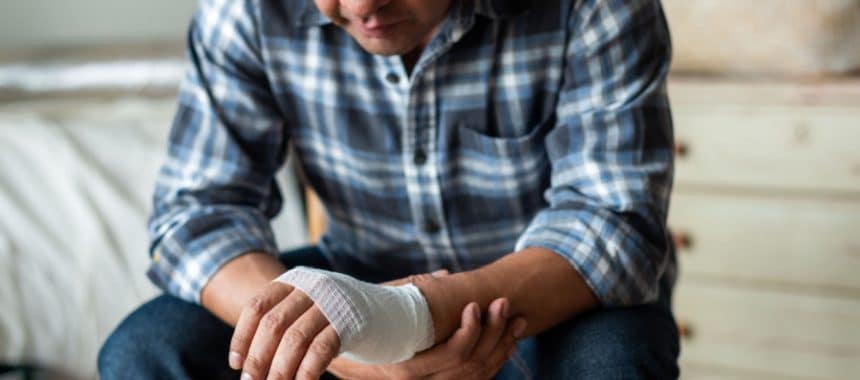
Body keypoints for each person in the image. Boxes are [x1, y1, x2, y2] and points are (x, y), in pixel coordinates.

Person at [99, 0, 680, 378]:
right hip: (356, 276)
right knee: (145, 350)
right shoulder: (244, 11)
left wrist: (407, 320)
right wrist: (357, 348)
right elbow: (197, 213)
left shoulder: (597, 7)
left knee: (615, 364)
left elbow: (614, 222)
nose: (359, 6)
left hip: (547, 300)